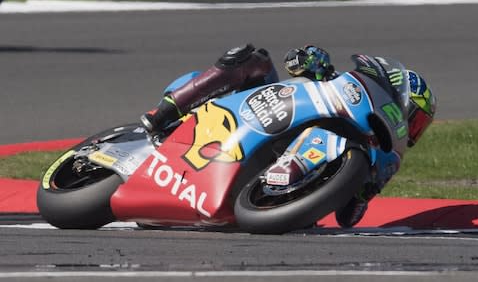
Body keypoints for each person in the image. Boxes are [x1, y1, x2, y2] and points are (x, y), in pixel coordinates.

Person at [141, 43, 436, 228]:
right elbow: (293, 61)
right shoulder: (333, 83)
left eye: (419, 126)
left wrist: (364, 191)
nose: (412, 131)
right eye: (415, 119)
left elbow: (348, 219)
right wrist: (309, 62)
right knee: (254, 58)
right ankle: (165, 113)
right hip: (246, 118)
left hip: (246, 199)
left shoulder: (382, 162)